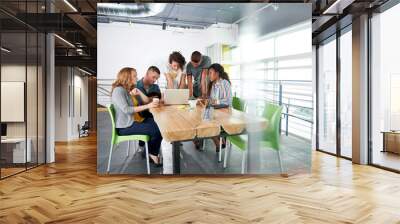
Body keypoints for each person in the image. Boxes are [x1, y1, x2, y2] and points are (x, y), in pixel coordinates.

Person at [111, 67, 163, 166]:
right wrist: (148, 106)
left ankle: (151, 151)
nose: (137, 77)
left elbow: (141, 101)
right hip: (125, 127)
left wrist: (133, 94)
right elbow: (127, 109)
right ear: (127, 77)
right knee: (156, 130)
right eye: (134, 75)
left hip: (132, 121)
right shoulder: (118, 91)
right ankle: (153, 154)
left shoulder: (125, 90)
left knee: (159, 125)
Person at [207, 63, 232, 152]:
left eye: (210, 72)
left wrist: (214, 102)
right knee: (205, 120)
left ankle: (219, 143)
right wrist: (206, 101)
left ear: (217, 73)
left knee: (207, 123)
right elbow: (212, 100)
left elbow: (228, 101)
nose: (209, 75)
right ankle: (219, 142)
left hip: (225, 114)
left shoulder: (224, 83)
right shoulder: (213, 85)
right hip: (217, 112)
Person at [136, 66, 162, 152]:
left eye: (156, 78)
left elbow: (158, 100)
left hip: (153, 113)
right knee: (155, 123)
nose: (155, 80)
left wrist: (149, 100)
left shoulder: (156, 87)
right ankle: (145, 144)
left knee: (159, 122)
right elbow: (139, 103)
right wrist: (150, 99)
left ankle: (152, 148)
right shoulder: (136, 85)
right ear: (147, 74)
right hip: (140, 115)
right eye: (153, 77)